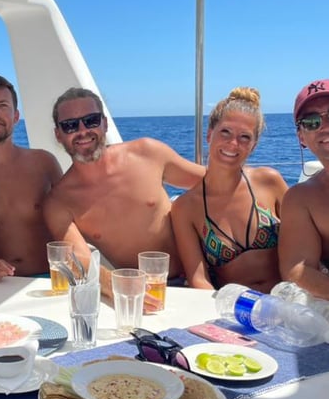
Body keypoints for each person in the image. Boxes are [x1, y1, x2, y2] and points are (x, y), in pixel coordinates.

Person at [43, 86, 205, 298]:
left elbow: (213, 185)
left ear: (105, 123)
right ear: (59, 135)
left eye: (91, 120)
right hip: (139, 293)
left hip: (201, 276)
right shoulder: (59, 202)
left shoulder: (147, 153)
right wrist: (117, 286)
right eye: (70, 125)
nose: (82, 131)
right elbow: (77, 257)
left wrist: (259, 178)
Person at [172, 87, 288, 293]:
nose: (233, 143)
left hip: (287, 303)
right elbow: (199, 278)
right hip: (234, 311)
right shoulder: (186, 207)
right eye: (225, 131)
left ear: (253, 146)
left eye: (245, 137)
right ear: (209, 134)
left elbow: (303, 245)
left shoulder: (270, 181)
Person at [0, 74, 63, 281]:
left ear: (16, 116)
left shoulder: (44, 163)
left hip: (49, 282)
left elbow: (72, 222)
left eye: (3, 105)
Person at [279, 79, 329, 299]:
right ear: (301, 137)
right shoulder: (301, 199)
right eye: (311, 122)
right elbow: (297, 270)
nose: (325, 126)